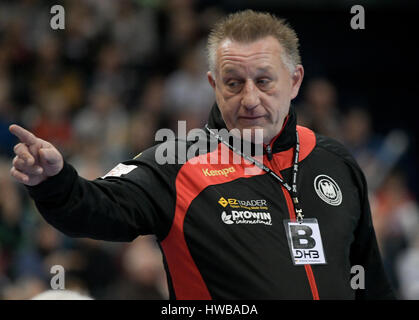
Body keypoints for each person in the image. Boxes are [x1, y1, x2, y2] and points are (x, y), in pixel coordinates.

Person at [9, 10, 394, 300]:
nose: (249, 99)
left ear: (294, 81)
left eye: (263, 81)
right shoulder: (177, 161)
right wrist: (54, 183)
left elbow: (369, 280)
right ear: (213, 84)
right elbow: (98, 206)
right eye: (233, 83)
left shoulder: (334, 161)